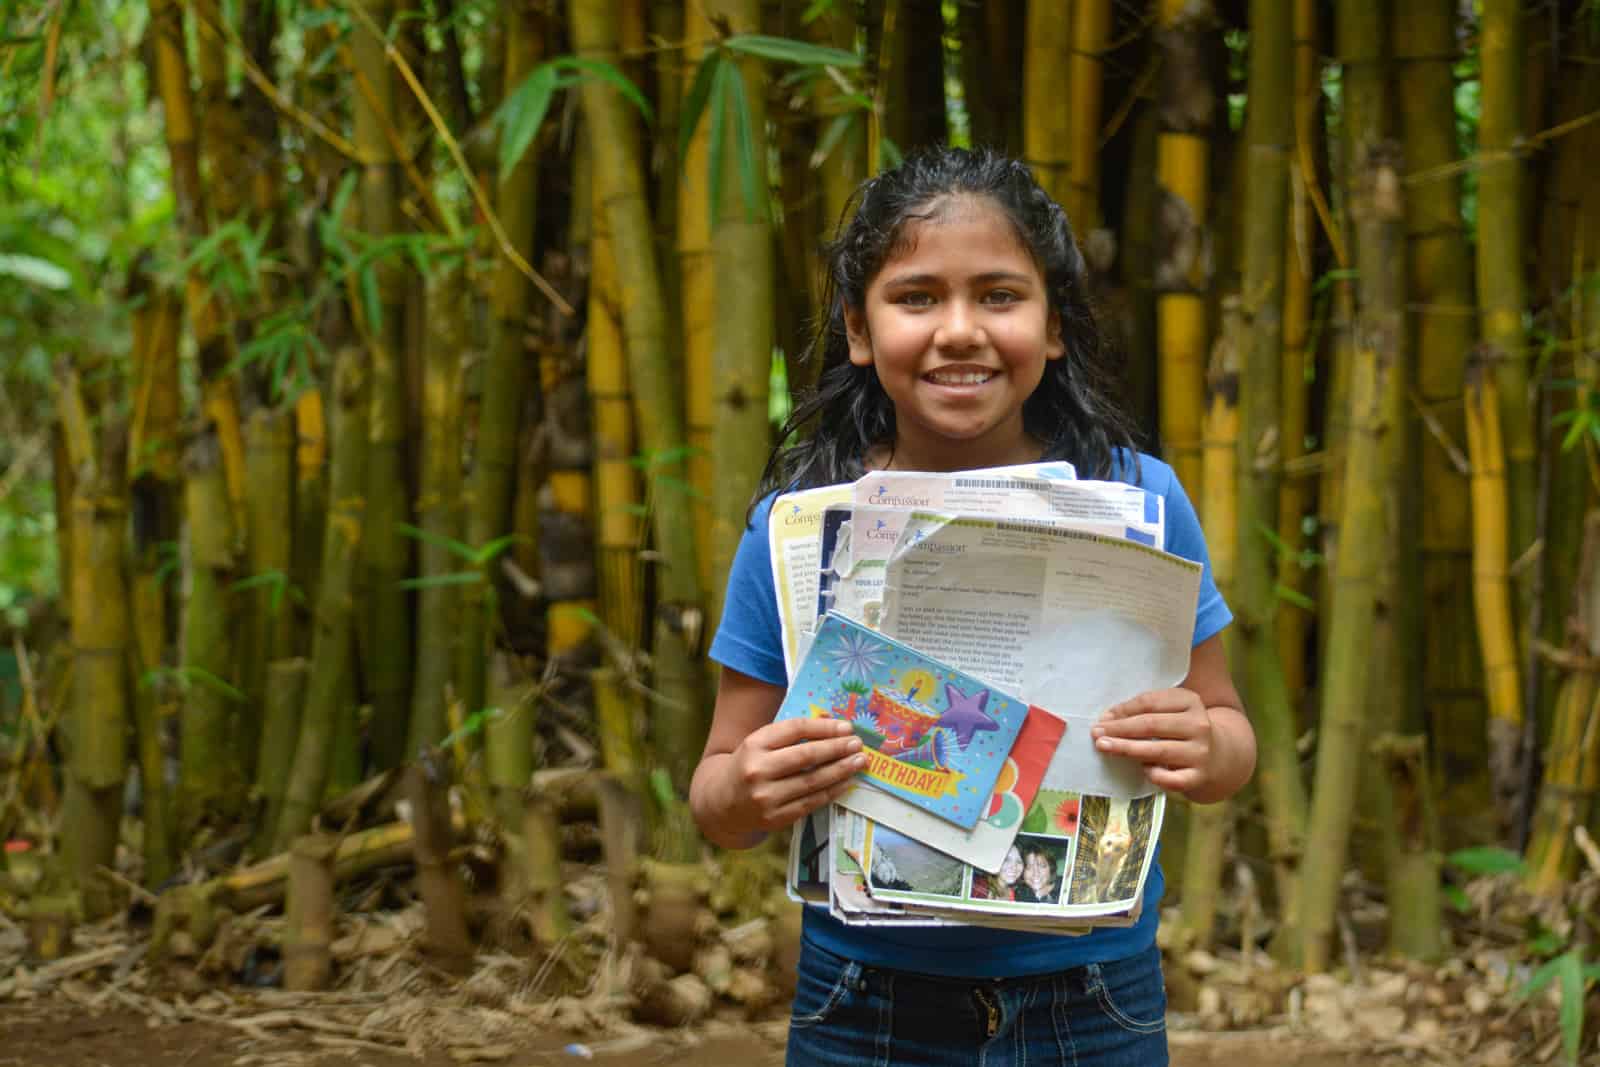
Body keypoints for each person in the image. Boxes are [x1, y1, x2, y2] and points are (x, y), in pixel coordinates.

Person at [687, 146, 1256, 1066]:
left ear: (1055, 324)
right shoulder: (797, 528)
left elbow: (1229, 734)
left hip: (1094, 994)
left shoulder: (1138, 502)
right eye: (917, 298)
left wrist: (1206, 744)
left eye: (999, 295)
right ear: (859, 330)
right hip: (863, 999)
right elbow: (717, 798)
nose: (960, 330)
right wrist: (750, 787)